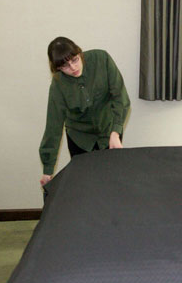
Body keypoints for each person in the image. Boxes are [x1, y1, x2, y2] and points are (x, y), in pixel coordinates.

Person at [39, 36, 130, 187]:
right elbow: (53, 126)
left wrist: (115, 132)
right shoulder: (58, 85)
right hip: (80, 139)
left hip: (109, 131)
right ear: (58, 68)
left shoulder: (102, 59)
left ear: (79, 53)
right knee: (86, 185)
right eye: (65, 66)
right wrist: (48, 169)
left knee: (112, 181)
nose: (73, 68)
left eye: (74, 60)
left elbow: (120, 98)